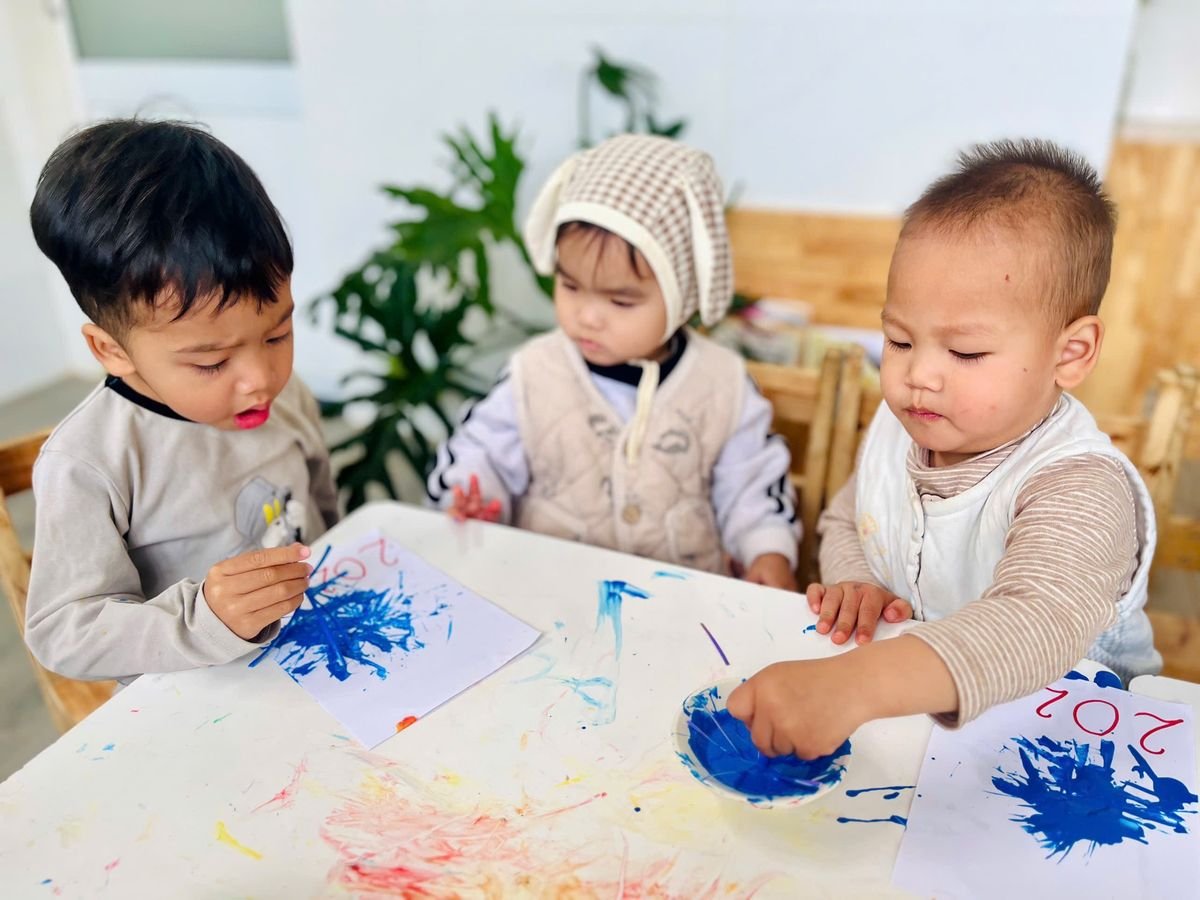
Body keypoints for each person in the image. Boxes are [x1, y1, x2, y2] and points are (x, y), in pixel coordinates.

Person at [729, 139, 1160, 757]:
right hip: (928, 725)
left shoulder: (1080, 484)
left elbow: (1033, 623)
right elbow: (850, 517)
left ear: (1070, 354)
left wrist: (854, 686)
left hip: (1076, 736)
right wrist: (857, 581)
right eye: (900, 341)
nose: (919, 375)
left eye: (965, 352)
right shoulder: (902, 424)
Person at [24, 119, 338, 682]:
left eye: (277, 335)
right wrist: (203, 619)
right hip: (194, 704)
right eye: (212, 362)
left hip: (316, 663)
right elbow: (63, 632)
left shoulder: (288, 397)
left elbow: (323, 510)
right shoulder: (89, 461)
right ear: (111, 350)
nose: (260, 379)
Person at [428, 134, 799, 588]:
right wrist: (473, 494)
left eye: (620, 301)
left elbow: (751, 486)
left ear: (682, 297)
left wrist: (766, 548)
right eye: (569, 286)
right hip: (545, 593)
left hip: (681, 603)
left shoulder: (723, 383)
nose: (586, 316)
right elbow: (481, 450)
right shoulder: (533, 372)